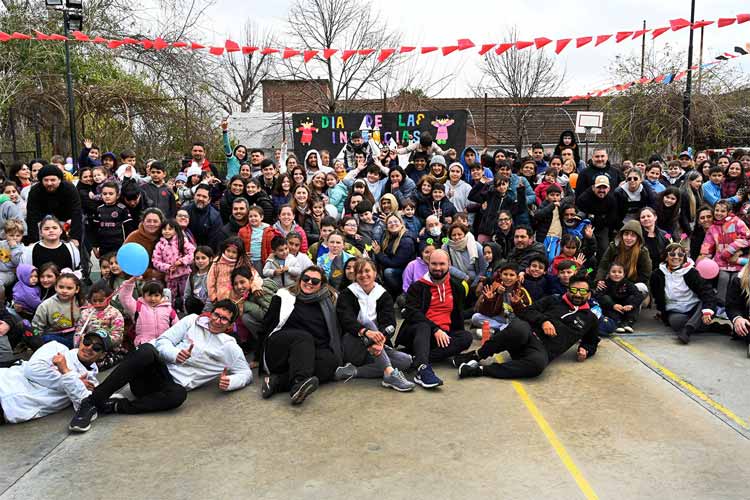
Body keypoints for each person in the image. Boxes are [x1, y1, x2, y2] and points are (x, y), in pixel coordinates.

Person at [68, 301, 251, 432]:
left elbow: (245, 373)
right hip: (153, 374)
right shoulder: (191, 321)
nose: (218, 320)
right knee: (147, 349)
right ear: (211, 313)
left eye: (224, 319)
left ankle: (115, 406)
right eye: (216, 315)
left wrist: (232, 381)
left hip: (167, 389)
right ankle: (91, 403)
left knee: (179, 395)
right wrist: (174, 355)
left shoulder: (229, 346)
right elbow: (163, 341)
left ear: (230, 325)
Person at [453, 273, 600, 379]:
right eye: (574, 290)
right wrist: (543, 321)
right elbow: (526, 311)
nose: (577, 294)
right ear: (568, 289)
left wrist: (586, 349)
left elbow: (592, 341)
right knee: (518, 328)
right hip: (526, 335)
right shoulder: (553, 299)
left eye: (582, 291)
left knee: (538, 365)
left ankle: (478, 370)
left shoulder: (591, 319)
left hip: (541, 350)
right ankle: (475, 355)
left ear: (588, 294)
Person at [261, 266, 342, 405]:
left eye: (315, 281)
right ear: (300, 279)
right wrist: (258, 358)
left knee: (330, 361)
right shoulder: (284, 295)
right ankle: (298, 384)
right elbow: (266, 325)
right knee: (303, 337)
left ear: (321, 285)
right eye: (306, 278)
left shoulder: (330, 302)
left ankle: (277, 382)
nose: (309, 282)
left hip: (306, 354)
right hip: (280, 349)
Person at [335, 258, 415, 391]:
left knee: (406, 361)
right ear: (355, 275)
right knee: (367, 322)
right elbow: (346, 320)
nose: (364, 275)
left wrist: (381, 339)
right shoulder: (347, 294)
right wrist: (366, 332)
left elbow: (390, 322)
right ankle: (390, 374)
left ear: (375, 272)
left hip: (376, 347)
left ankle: (354, 371)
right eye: (359, 272)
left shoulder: (383, 294)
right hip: (353, 345)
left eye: (367, 271)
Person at [397, 249, 473, 389]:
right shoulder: (417, 287)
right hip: (419, 333)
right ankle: (423, 369)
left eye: (442, 264)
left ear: (449, 264)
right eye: (434, 264)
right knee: (423, 325)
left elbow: (459, 314)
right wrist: (435, 328)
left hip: (443, 335)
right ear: (428, 264)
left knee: (466, 337)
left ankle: (416, 358)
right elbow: (412, 313)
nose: (438, 268)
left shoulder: (457, 287)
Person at [0, 331, 109, 424]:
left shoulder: (91, 384)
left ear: (103, 355)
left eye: (96, 347)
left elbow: (83, 406)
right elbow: (32, 370)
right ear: (81, 341)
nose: (89, 348)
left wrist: (66, 371)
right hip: (4, 381)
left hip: (11, 407)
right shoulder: (56, 347)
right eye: (87, 342)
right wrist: (73, 381)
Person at [652, 242, 720, 344]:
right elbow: (657, 296)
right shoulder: (657, 274)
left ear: (684, 257)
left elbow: (707, 291)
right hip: (676, 310)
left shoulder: (691, 272)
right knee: (675, 323)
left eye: (680, 255)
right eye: (672, 254)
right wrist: (663, 312)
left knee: (705, 306)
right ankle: (712, 327)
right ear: (666, 257)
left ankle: (688, 330)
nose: (676, 257)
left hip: (695, 308)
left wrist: (707, 311)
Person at [25, 164, 83, 246]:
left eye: (53, 180)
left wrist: (75, 237)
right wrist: (33, 240)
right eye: (46, 180)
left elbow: (76, 212)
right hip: (43, 222)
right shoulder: (35, 191)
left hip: (67, 221)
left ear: (59, 180)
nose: (49, 183)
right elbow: (31, 216)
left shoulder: (69, 189)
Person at [596, 220, 652, 297]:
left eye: (633, 235)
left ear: (637, 238)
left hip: (634, 284)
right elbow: (603, 265)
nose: (629, 238)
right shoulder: (613, 247)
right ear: (621, 235)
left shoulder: (643, 252)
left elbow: (646, 274)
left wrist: (627, 285)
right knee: (600, 289)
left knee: (639, 289)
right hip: (615, 280)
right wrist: (600, 280)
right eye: (626, 234)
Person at [372, 214, 416, 298]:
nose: (393, 224)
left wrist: (379, 254)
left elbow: (394, 263)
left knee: (388, 272)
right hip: (396, 266)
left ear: (401, 223)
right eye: (390, 223)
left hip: (405, 271)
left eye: (395, 221)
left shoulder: (406, 241)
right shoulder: (388, 236)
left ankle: (399, 293)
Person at [594, 262, 643, 333]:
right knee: (605, 298)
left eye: (620, 272)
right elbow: (599, 296)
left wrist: (631, 305)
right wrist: (613, 305)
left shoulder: (628, 283)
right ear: (609, 273)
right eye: (613, 272)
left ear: (623, 274)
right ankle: (618, 323)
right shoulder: (604, 284)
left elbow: (638, 295)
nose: (616, 274)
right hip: (612, 308)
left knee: (633, 298)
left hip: (625, 307)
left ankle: (628, 323)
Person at [123, 208, 166, 282]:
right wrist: (149, 273)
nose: (152, 224)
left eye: (155, 221)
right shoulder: (133, 237)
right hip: (139, 280)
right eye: (148, 221)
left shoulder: (167, 236)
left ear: (161, 223)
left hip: (166, 279)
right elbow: (125, 262)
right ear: (143, 222)